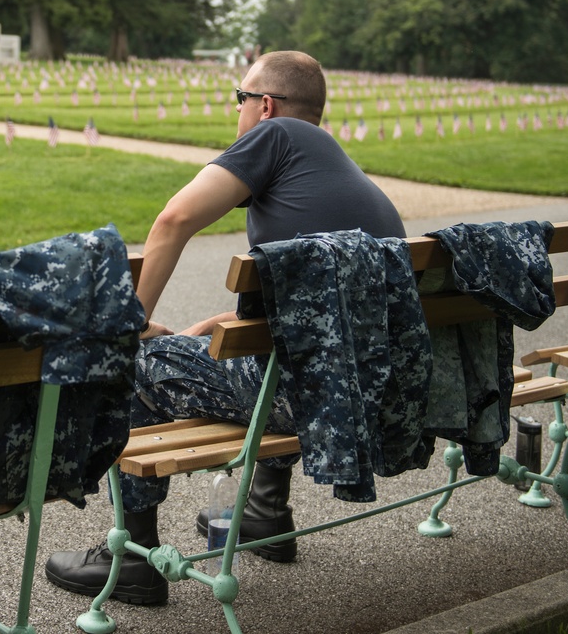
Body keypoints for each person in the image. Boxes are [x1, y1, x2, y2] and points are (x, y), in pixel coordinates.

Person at [44, 50, 407, 606]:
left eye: (239, 98)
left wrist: (131, 325)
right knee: (228, 356)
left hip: (300, 395)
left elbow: (173, 221)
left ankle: (131, 558)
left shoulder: (273, 138)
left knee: (132, 364)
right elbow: (276, 322)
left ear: (265, 106)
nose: (235, 112)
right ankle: (264, 511)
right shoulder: (337, 171)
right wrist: (190, 336)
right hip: (366, 392)